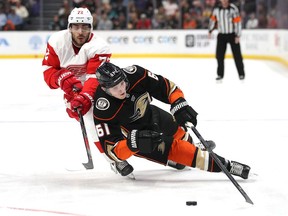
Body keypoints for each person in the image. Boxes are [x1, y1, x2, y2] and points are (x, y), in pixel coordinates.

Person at [92, 62, 251, 179]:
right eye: (115, 88)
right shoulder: (102, 109)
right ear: (105, 89)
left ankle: (188, 149)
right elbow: (111, 150)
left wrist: (179, 103)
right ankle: (227, 166)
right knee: (182, 152)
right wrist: (131, 144)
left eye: (121, 83)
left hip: (151, 114)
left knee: (181, 133)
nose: (122, 89)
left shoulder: (135, 74)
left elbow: (166, 86)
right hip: (140, 137)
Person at [41, 7, 132, 175]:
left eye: (85, 26)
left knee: (124, 113)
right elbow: (48, 73)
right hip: (72, 91)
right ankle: (113, 159)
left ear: (91, 27)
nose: (80, 31)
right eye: (76, 26)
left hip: (101, 85)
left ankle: (150, 145)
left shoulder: (100, 46)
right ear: (69, 27)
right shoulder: (56, 41)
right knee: (90, 118)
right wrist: (61, 79)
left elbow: (94, 78)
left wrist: (85, 96)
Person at [208, 0, 245, 80]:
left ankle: (241, 74)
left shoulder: (233, 9)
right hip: (221, 35)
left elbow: (237, 23)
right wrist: (210, 30)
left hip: (232, 35)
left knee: (237, 55)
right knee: (219, 56)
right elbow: (212, 20)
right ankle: (220, 75)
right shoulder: (217, 9)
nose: (224, 1)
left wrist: (238, 35)